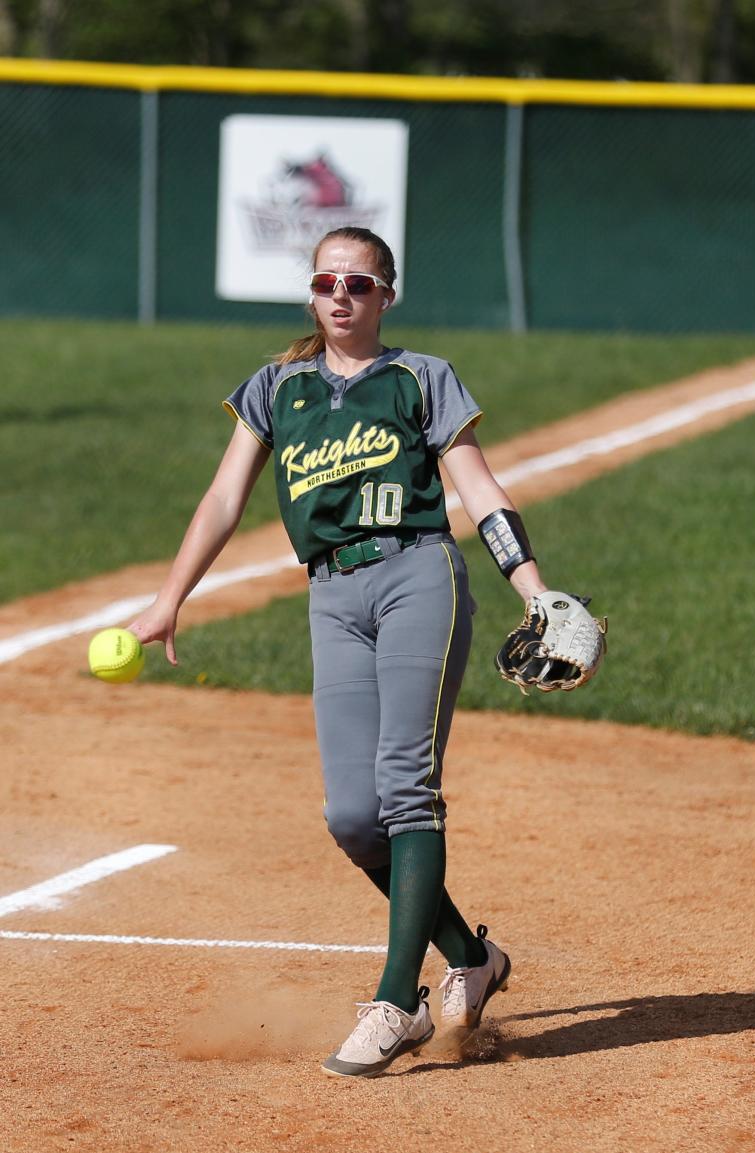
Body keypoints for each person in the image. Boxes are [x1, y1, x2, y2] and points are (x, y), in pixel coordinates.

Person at [129, 226, 552, 1079]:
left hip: (416, 576)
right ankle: (472, 956)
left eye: (359, 284)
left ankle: (397, 1002)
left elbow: (477, 487)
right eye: (326, 281)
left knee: (405, 785)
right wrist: (172, 596)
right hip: (331, 594)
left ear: (386, 295)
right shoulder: (276, 387)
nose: (340, 295)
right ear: (311, 293)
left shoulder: (419, 378)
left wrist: (534, 589)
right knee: (354, 817)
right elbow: (222, 497)